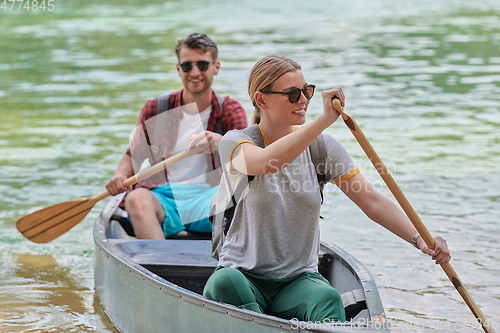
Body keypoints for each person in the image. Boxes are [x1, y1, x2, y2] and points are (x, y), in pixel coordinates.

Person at [203, 55, 451, 323]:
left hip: (296, 281)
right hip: (243, 276)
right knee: (225, 281)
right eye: (293, 94)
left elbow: (371, 201)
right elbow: (265, 163)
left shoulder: (322, 147)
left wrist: (420, 239)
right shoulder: (235, 143)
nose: (303, 100)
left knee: (328, 298)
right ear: (261, 100)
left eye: (306, 91)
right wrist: (323, 120)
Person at [105, 33, 248, 239]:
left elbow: (246, 159)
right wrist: (120, 176)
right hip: (164, 197)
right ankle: (157, 264)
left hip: (210, 197)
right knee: (136, 199)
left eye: (203, 65)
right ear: (178, 69)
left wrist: (221, 142)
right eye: (187, 66)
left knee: (245, 197)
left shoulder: (230, 110)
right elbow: (132, 154)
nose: (195, 72)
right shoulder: (157, 108)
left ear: (216, 67)